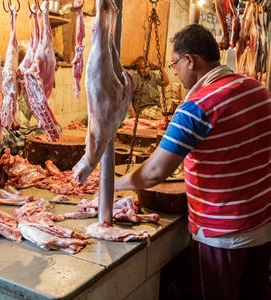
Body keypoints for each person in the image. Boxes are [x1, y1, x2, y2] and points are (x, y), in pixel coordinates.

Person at [114, 24, 271, 299]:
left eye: (175, 63)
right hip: (263, 226)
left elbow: (154, 172)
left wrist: (112, 184)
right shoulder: (257, 89)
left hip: (221, 236)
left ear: (190, 60)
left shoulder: (198, 106)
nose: (175, 71)